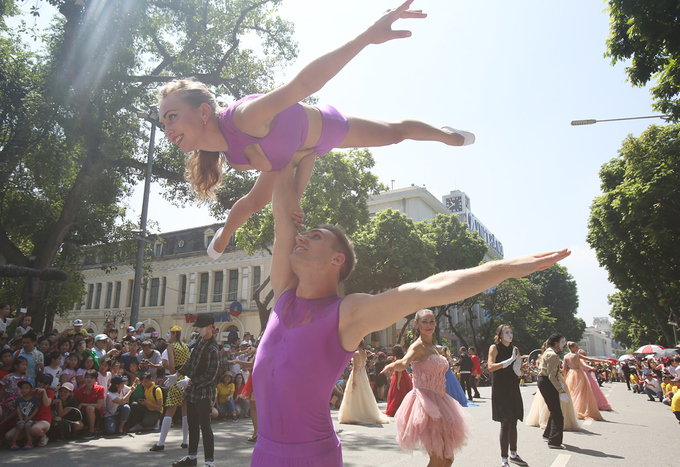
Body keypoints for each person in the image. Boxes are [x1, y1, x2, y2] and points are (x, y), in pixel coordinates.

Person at [249, 139, 570, 466]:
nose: (301, 237)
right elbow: (283, 218)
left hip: (310, 458)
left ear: (337, 259)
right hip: (261, 455)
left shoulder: (348, 313)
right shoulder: (285, 295)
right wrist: (290, 145)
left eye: (314, 236)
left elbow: (428, 289)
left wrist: (503, 268)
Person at [158, 0, 474, 263]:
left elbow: (303, 86)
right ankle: (224, 234)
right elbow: (293, 160)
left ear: (203, 111)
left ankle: (446, 134)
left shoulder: (244, 118)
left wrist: (365, 37)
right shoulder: (236, 158)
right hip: (300, 151)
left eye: (172, 117)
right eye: (163, 124)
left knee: (395, 133)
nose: (168, 129)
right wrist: (296, 201)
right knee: (255, 202)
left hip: (327, 127)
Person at [382, 309, 471, 466]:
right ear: (416, 324)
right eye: (424, 321)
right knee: (438, 458)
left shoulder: (435, 347)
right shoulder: (418, 347)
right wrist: (393, 365)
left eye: (431, 321)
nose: (429, 325)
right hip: (425, 404)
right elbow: (404, 362)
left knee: (448, 458)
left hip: (442, 401)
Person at [170, 314, 219, 467]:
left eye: (201, 327)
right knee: (192, 424)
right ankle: (191, 458)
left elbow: (211, 375)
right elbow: (190, 361)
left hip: (204, 393)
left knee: (205, 425)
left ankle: (209, 462)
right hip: (191, 391)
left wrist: (190, 381)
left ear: (210, 327)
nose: (198, 329)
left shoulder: (213, 348)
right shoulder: (198, 340)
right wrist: (177, 374)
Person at [487, 325, 528, 467]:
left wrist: (519, 368)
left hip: (513, 387)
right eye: (506, 332)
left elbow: (519, 371)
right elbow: (490, 367)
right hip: (501, 388)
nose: (510, 334)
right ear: (499, 335)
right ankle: (504, 459)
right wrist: (507, 362)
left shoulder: (515, 349)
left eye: (511, 332)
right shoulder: (495, 348)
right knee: (505, 423)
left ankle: (514, 453)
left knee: (514, 422)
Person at [151, 324, 190, 451]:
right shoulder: (185, 346)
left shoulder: (171, 347)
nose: (167, 336)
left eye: (169, 333)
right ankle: (185, 441)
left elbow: (172, 366)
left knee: (170, 410)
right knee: (185, 410)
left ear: (174, 334)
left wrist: (172, 373)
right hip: (186, 378)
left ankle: (161, 443)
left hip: (176, 378)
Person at [526, 342, 580, 433]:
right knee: (555, 407)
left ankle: (548, 430)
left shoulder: (544, 356)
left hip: (549, 379)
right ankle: (553, 434)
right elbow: (551, 374)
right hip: (553, 379)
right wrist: (560, 388)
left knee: (551, 406)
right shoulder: (552, 356)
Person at [338, 339, 389, 425]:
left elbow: (355, 368)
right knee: (364, 393)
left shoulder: (356, 354)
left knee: (354, 393)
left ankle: (355, 414)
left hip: (357, 374)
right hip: (363, 375)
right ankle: (365, 413)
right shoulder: (364, 353)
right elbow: (363, 365)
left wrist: (353, 380)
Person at [537, 334, 569, 449]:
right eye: (561, 342)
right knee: (557, 414)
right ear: (556, 343)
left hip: (545, 381)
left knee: (554, 409)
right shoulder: (552, 355)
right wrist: (561, 390)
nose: (563, 344)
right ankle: (554, 441)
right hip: (547, 382)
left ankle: (548, 434)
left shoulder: (549, 352)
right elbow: (551, 376)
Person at [563, 342, 602, 421]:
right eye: (576, 347)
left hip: (571, 374)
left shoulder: (566, 356)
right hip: (578, 373)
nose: (577, 349)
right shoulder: (577, 355)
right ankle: (579, 409)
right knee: (581, 392)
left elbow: (564, 369)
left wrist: (565, 377)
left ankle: (572, 409)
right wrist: (603, 361)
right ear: (572, 347)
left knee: (572, 392)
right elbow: (590, 359)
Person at [8, 379, 40, 450]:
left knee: (27, 426)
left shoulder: (34, 399)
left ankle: (29, 442)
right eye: (22, 388)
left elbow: (36, 409)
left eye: (26, 388)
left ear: (31, 389)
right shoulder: (19, 399)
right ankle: (13, 443)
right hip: (20, 418)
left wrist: (29, 418)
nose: (24, 390)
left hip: (30, 418)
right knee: (20, 426)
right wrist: (20, 419)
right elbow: (18, 410)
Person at [74, 368, 106, 439]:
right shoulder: (78, 391)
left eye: (91, 378)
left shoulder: (100, 389)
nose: (89, 380)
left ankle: (91, 431)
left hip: (96, 413)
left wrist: (83, 404)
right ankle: (82, 429)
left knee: (89, 408)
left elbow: (99, 405)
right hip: (83, 415)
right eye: (87, 377)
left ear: (95, 380)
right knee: (76, 426)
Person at [383, 344, 413, 417]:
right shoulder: (402, 359)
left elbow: (399, 372)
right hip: (405, 378)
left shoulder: (397, 360)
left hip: (399, 378)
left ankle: (396, 409)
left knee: (397, 395)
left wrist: (398, 383)